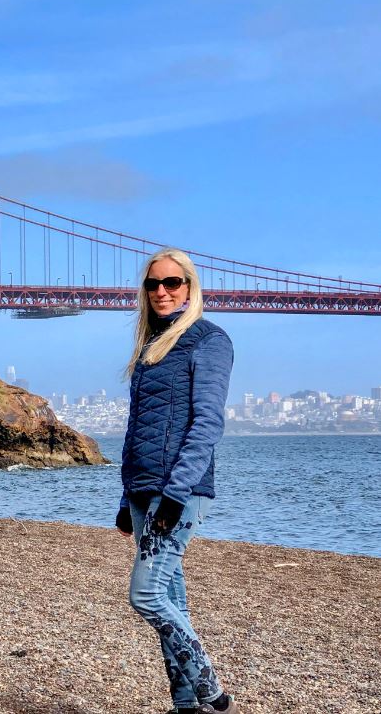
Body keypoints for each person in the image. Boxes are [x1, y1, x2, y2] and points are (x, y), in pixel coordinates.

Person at [115, 248, 240, 714]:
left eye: (172, 283)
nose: (162, 292)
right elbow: (138, 426)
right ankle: (186, 704)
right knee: (170, 595)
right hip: (142, 489)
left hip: (179, 491)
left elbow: (207, 424)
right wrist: (125, 495)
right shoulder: (151, 346)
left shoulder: (208, 340)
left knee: (145, 594)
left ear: (190, 286)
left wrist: (175, 493)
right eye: (153, 285)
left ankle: (213, 695)